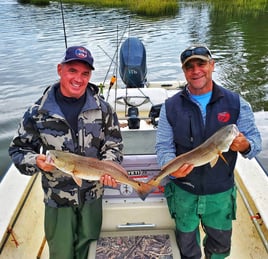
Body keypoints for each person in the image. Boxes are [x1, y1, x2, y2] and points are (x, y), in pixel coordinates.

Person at [8, 46, 122, 259]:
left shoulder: (104, 109)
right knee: (61, 253)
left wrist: (109, 166)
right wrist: (36, 161)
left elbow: (113, 145)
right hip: (57, 198)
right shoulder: (38, 112)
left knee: (89, 250)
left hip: (92, 196)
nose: (78, 78)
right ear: (60, 69)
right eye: (72, 70)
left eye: (85, 73)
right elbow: (18, 149)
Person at [155, 45, 262, 259]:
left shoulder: (236, 102)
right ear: (184, 71)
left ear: (212, 66)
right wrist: (172, 170)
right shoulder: (170, 107)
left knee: (220, 247)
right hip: (183, 191)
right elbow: (164, 147)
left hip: (220, 193)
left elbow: (255, 143)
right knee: (187, 246)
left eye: (201, 64)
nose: (196, 71)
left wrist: (245, 145)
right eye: (189, 67)